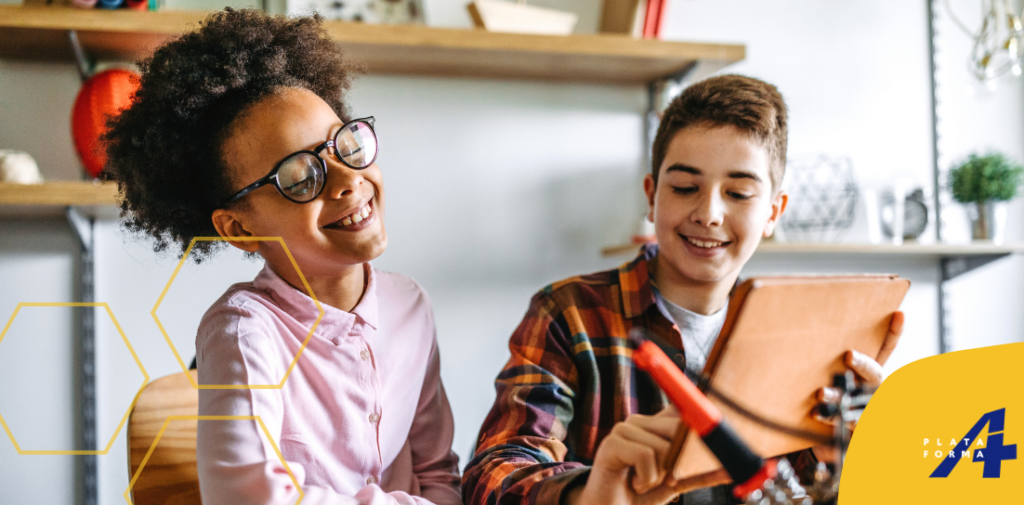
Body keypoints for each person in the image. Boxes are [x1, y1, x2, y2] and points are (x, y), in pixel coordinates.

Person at [461, 74, 904, 505]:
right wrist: (589, 494)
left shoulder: (801, 337)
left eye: (739, 193)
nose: (709, 213)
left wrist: (851, 458)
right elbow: (493, 472)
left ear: (774, 212)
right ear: (652, 197)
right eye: (686, 187)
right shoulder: (568, 314)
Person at [103, 10, 461, 505]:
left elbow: (438, 472)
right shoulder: (244, 333)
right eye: (299, 178)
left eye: (345, 144)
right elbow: (249, 498)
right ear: (240, 229)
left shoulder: (410, 305)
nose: (347, 180)